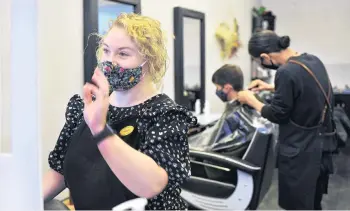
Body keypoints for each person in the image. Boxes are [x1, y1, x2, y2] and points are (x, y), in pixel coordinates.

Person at [42, 13, 197, 210]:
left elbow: (151, 185)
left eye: (123, 54)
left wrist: (100, 130)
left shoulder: (165, 116)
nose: (110, 61)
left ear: (149, 61)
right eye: (106, 51)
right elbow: (59, 170)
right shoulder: (84, 107)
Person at [237, 30, 337, 210]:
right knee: (313, 203)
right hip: (321, 148)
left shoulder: (285, 71)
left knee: (297, 205)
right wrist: (271, 87)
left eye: (261, 62)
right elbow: (306, 88)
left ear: (265, 56)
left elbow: (277, 114)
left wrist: (252, 101)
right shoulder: (312, 60)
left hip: (300, 152)